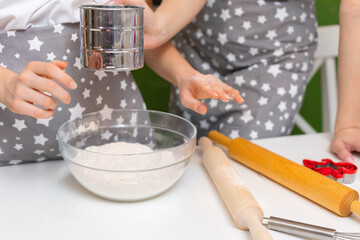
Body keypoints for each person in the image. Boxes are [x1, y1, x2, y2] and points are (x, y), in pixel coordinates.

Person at [112, 0, 360, 163]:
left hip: (274, 66)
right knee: (193, 171)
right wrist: (160, 29)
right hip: (195, 58)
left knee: (239, 170)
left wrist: (350, 125)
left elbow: (355, 9)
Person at [0, 0, 243, 166]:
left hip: (115, 133)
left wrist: (184, 75)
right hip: (15, 143)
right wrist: (6, 84)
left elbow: (137, 36)